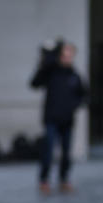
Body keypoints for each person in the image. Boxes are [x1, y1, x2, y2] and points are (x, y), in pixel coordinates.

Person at [30, 40, 88, 195]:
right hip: (51, 119)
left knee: (66, 152)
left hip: (67, 120)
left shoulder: (75, 76)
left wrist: (74, 106)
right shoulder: (51, 73)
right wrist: (45, 62)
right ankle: (44, 180)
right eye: (64, 54)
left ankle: (64, 179)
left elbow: (83, 95)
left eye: (70, 55)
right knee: (48, 150)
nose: (67, 58)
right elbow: (34, 83)